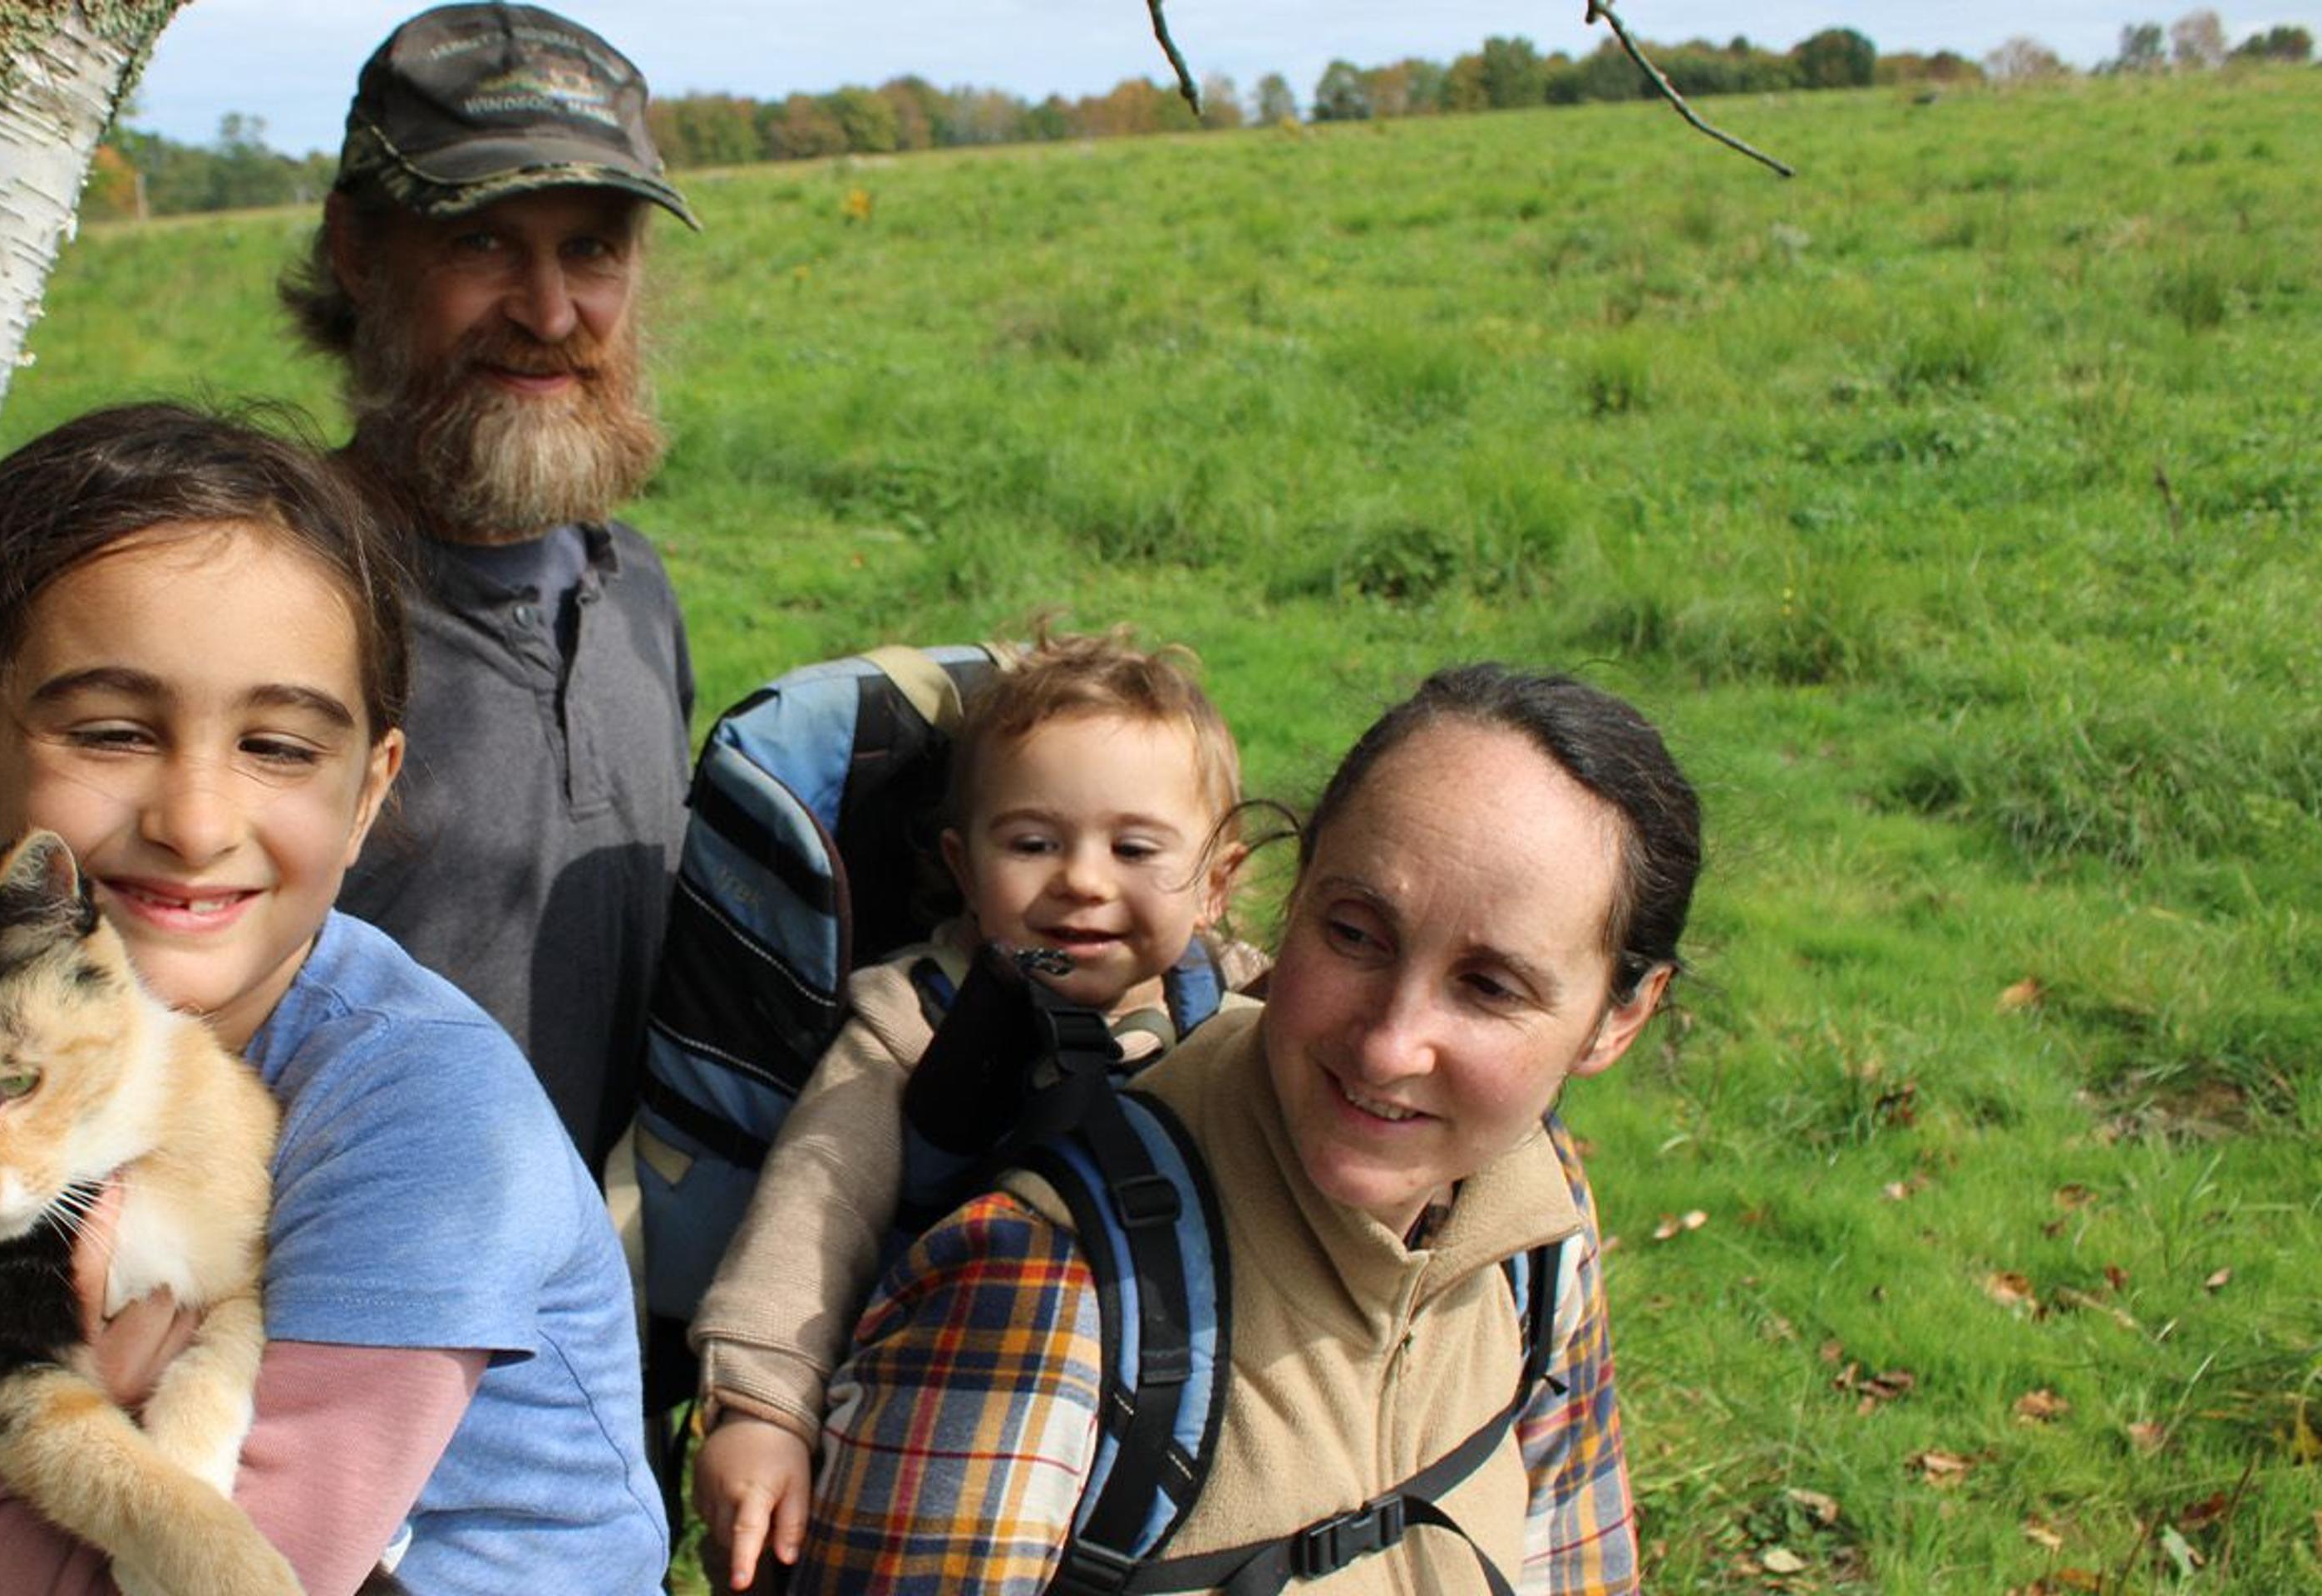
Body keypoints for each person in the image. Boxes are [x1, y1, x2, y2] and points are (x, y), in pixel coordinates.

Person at [0, 401, 668, 1596]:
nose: (196, 823)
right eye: (112, 732)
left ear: (369, 792)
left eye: (278, 748)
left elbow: (252, 1577)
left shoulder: (421, 1117)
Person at [793, 664, 1694, 1596]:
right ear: (1295, 896)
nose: (1389, 1048)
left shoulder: (1531, 1222)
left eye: (1490, 988)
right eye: (1355, 934)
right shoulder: (1050, 1286)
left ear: (1619, 1019)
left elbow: (1575, 1563)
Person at [687, 628, 1259, 1591]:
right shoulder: (914, 1020)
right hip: (948, 1400)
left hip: (1175, 1410)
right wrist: (762, 1411)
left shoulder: (1236, 1018)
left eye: (1133, 848)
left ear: (1215, 883)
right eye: (1033, 843)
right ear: (963, 864)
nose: (1081, 878)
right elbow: (812, 1215)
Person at [279, 2, 700, 1170]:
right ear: (359, 253)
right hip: (351, 1314)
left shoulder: (635, 593)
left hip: (608, 1318)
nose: (551, 312)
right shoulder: (272, 599)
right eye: (482, 243)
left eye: (593, 249)